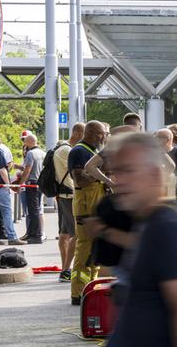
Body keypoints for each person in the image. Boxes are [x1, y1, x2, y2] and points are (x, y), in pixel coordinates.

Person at [104, 133, 177, 347]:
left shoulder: (167, 228)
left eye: (127, 170)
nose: (117, 180)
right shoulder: (149, 224)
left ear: (154, 176)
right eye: (115, 172)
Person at [69, 121, 108, 305]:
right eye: (100, 134)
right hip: (86, 208)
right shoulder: (79, 151)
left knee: (96, 250)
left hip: (95, 206)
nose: (103, 137)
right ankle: (78, 292)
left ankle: (91, 287)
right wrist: (98, 174)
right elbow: (79, 179)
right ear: (90, 132)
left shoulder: (91, 151)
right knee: (84, 249)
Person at [55, 122, 85, 282]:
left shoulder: (61, 148)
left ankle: (64, 268)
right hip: (70, 196)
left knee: (64, 234)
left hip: (63, 196)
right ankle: (66, 270)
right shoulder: (68, 150)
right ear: (79, 133)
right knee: (77, 235)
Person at [0, 137, 25, 246]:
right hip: (1, 187)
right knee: (6, 212)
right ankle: (12, 237)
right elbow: (2, 170)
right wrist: (8, 184)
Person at [18, 134, 46, 244]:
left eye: (25, 142)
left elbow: (27, 169)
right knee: (37, 209)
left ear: (29, 142)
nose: (24, 144)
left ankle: (36, 235)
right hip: (40, 184)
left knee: (33, 211)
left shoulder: (30, 153)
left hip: (31, 184)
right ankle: (31, 233)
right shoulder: (43, 153)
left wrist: (21, 183)